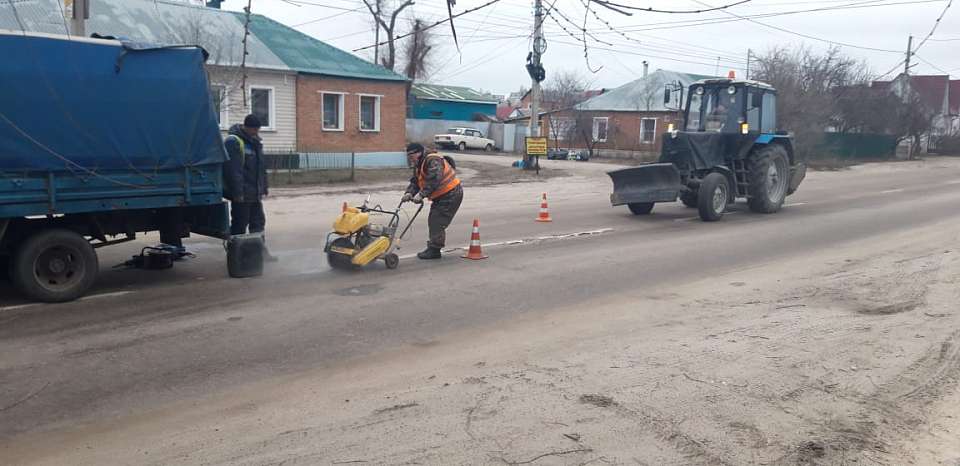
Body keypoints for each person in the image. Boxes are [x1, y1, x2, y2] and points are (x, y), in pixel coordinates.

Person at [224, 114, 277, 262]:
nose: (256, 132)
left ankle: (260, 253)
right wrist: (237, 193)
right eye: (254, 129)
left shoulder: (255, 142)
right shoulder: (234, 142)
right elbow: (233, 171)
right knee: (239, 225)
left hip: (254, 192)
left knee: (258, 222)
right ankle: (235, 255)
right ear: (247, 127)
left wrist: (264, 186)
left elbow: (261, 167)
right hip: (242, 193)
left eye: (258, 130)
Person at [402, 143, 463, 260]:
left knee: (436, 220)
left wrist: (421, 195)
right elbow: (416, 181)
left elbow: (434, 179)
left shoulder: (432, 160)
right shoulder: (420, 163)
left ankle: (435, 250)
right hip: (442, 195)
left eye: (411, 156)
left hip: (451, 193)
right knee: (434, 219)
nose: (410, 159)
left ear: (418, 153)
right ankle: (434, 247)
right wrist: (409, 193)